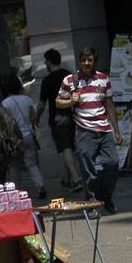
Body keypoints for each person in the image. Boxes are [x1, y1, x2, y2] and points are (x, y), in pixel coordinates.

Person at [57, 47, 122, 214]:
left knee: (113, 163)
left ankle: (106, 197)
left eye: (90, 60)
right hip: (84, 131)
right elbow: (58, 102)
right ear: (80, 60)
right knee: (88, 168)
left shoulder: (103, 79)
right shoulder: (70, 80)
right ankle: (92, 202)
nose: (86, 63)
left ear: (95, 62)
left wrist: (116, 130)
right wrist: (71, 101)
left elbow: (109, 105)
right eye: (84, 59)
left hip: (105, 130)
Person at [35, 48, 82, 192]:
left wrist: (36, 117)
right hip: (73, 115)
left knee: (66, 148)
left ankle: (76, 179)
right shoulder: (69, 75)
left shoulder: (47, 80)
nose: (45, 64)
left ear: (49, 61)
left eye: (45, 61)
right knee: (69, 147)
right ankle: (66, 179)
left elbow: (42, 104)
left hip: (57, 118)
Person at [2, 74, 46, 198]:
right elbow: (33, 117)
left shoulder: (5, 103)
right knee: (31, 163)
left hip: (14, 139)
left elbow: (5, 122)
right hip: (28, 135)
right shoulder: (27, 99)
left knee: (14, 166)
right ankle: (40, 185)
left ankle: (16, 192)